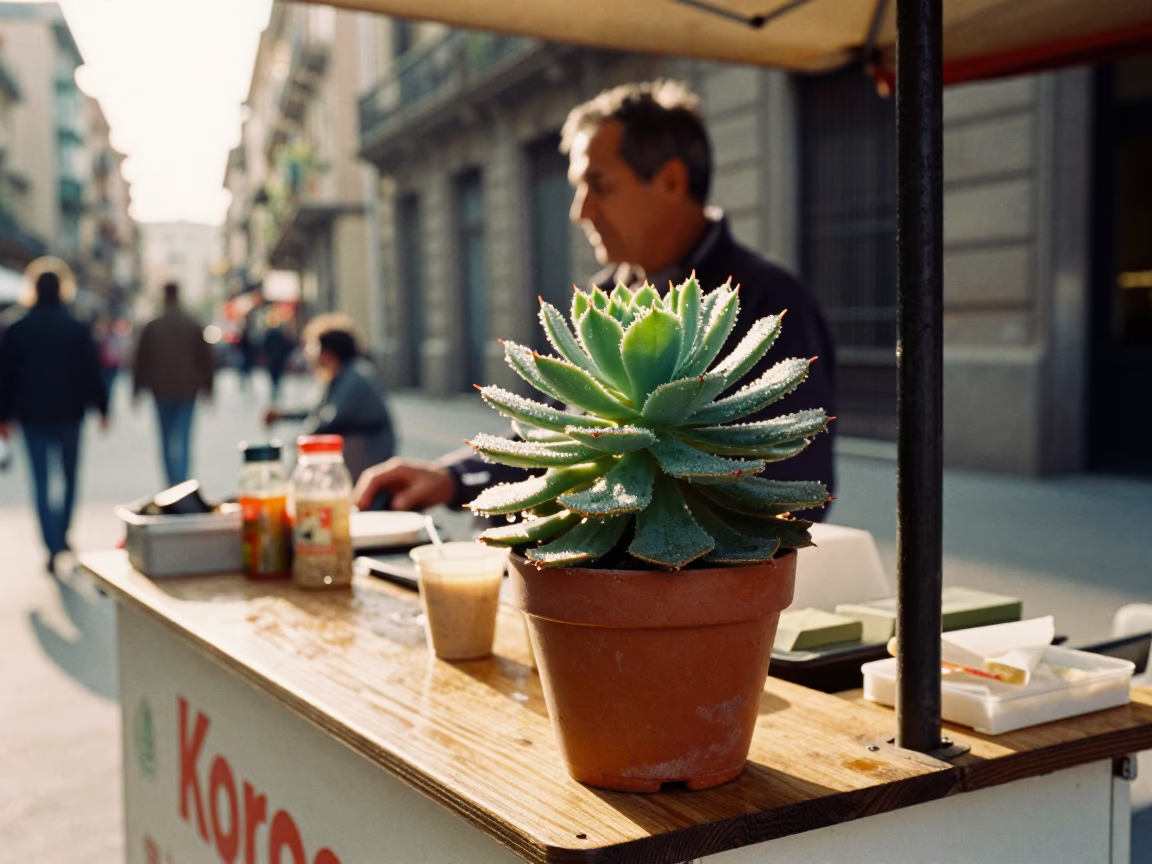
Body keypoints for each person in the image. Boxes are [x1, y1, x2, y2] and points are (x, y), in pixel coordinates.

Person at [354, 80, 836, 519]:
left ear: (670, 180)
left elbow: (796, 483)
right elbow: (554, 439)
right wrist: (452, 477)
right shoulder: (604, 300)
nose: (580, 211)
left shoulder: (769, 304)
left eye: (598, 186)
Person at [0, 260, 109, 573]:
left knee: (41, 482)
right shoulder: (75, 327)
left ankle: (50, 544)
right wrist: (102, 408)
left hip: (33, 415)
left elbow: (5, 377)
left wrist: (3, 417)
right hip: (70, 415)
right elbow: (92, 370)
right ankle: (62, 535)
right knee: (69, 478)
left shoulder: (17, 328)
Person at [264, 313, 395, 483]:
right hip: (353, 441)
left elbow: (335, 416)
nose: (310, 355)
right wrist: (282, 415)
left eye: (314, 348)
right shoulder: (337, 376)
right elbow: (317, 411)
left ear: (328, 352)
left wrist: (304, 436)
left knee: (310, 456)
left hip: (368, 447)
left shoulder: (355, 376)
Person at [132, 281, 215, 488]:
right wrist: (209, 388)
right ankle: (182, 482)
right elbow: (206, 358)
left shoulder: (152, 326)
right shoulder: (192, 324)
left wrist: (136, 390)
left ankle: (171, 483)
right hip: (188, 389)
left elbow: (140, 360)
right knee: (184, 437)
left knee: (165, 438)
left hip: (161, 390)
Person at [261, 312, 295, 404]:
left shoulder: (270, 334)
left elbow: (265, 346)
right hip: (278, 358)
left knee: (274, 376)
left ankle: (275, 390)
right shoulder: (279, 334)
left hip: (274, 358)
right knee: (277, 375)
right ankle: (276, 389)